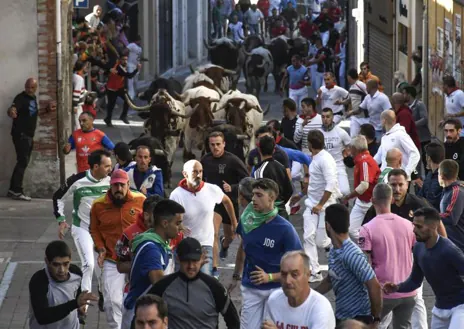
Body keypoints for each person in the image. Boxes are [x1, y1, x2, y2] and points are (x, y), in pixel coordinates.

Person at [229, 178, 302, 329]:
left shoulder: (285, 229)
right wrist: (236, 276)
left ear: (272, 198)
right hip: (250, 288)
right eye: (253, 194)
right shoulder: (247, 221)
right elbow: (243, 247)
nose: (254, 199)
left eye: (259, 195)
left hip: (276, 290)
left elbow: (299, 267)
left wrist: (269, 277)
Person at [52, 149, 112, 314]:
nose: (110, 169)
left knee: (102, 266)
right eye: (106, 166)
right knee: (89, 263)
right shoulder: (77, 180)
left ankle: (101, 291)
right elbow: (58, 197)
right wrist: (61, 220)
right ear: (95, 166)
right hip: (82, 228)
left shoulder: (111, 181)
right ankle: (82, 305)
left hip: (101, 232)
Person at [383, 207, 464, 329]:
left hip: (460, 308)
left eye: (419, 227)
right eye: (414, 225)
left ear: (433, 227)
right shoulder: (418, 248)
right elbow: (415, 281)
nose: (414, 230)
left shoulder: (449, 250)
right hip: (440, 308)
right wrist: (397, 287)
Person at [90, 169, 145, 329]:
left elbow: (149, 223)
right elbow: (94, 229)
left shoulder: (141, 200)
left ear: (128, 184)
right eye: (115, 186)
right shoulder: (98, 205)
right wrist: (100, 249)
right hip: (112, 259)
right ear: (110, 186)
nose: (119, 189)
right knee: (111, 301)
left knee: (141, 299)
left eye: (122, 185)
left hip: (136, 259)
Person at [147, 237, 240, 329]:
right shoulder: (163, 286)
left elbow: (233, 321)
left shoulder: (214, 287)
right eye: (186, 261)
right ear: (178, 259)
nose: (191, 266)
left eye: (195, 260)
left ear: (201, 258)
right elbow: (141, 315)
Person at [359, 184, 416, 329]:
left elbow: (364, 262)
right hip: (407, 290)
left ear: (373, 200)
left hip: (382, 291)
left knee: (368, 325)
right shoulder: (409, 225)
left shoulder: (367, 229)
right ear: (391, 200)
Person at [315, 204, 382, 325]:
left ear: (327, 226)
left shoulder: (352, 254)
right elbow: (330, 280)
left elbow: (374, 286)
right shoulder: (334, 250)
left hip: (358, 320)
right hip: (342, 318)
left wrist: (375, 320)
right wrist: (309, 295)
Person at [122, 199, 185, 329]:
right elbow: (160, 283)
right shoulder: (151, 249)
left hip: (149, 313)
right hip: (141, 316)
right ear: (165, 223)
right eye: (178, 223)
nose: (181, 228)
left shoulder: (158, 243)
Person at [169, 160, 238, 275]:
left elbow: (227, 201)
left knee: (204, 280)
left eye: (200, 171)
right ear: (185, 174)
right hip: (184, 244)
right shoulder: (176, 195)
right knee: (182, 280)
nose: (199, 175)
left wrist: (234, 223)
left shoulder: (211, 189)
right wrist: (179, 225)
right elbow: (171, 217)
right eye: (195, 172)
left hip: (205, 244)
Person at [290, 130, 340, 282]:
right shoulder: (316, 159)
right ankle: (315, 272)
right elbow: (314, 183)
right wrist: (300, 196)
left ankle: (338, 255)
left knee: (321, 241)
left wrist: (320, 204)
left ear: (310, 144)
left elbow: (330, 184)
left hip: (325, 206)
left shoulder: (325, 160)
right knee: (307, 237)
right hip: (312, 205)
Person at [201, 132, 248, 272]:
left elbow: (247, 180)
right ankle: (213, 268)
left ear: (224, 144)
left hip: (229, 202)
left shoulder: (233, 160)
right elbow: (199, 178)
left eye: (218, 144)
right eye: (212, 145)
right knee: (213, 233)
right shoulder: (205, 160)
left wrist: (232, 187)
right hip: (212, 203)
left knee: (231, 236)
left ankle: (225, 244)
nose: (215, 148)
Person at [28, 240, 99, 328]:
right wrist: (75, 304)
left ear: (70, 260)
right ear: (47, 261)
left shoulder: (76, 273)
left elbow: (76, 295)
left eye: (66, 264)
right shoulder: (39, 281)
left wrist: (80, 307)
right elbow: (42, 317)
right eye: (56, 265)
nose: (62, 270)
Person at [262, 250, 336, 329]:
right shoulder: (274, 300)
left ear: (308, 274)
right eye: (284, 274)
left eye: (294, 275)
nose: (288, 281)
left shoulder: (321, 308)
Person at [340, 136, 380, 242]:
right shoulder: (361, 160)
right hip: (362, 201)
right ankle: (370, 246)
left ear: (355, 148)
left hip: (369, 203)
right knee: (352, 230)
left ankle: (372, 246)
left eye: (350, 147)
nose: (349, 150)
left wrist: (348, 197)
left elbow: (364, 185)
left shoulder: (364, 161)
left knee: (360, 230)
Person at [6, 78, 39, 201]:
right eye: (27, 87)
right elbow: (12, 109)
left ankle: (13, 189)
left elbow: (32, 114)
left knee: (23, 162)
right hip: (21, 135)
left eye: (32, 87)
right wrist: (12, 112)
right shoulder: (20, 98)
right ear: (25, 87)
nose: (29, 90)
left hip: (28, 135)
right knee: (22, 161)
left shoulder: (33, 99)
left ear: (35, 88)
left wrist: (47, 110)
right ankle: (16, 190)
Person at [115, 195, 163, 275]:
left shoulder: (171, 231)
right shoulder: (128, 234)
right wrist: (146, 265)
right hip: (139, 285)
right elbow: (120, 266)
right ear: (146, 215)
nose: (162, 219)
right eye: (158, 216)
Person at [253, 136, 293, 218]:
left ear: (259, 149)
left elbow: (260, 194)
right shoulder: (281, 166)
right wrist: (280, 203)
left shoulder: (260, 170)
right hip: (282, 213)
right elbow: (289, 190)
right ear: (274, 150)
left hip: (268, 215)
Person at [374, 110, 420, 180]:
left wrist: (407, 173)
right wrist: (368, 165)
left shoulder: (401, 135)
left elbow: (415, 154)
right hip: (385, 177)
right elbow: (379, 156)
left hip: (398, 179)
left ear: (383, 121)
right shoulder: (385, 137)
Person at [320, 107, 351, 196]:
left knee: (345, 191)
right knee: (325, 194)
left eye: (328, 117)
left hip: (338, 165)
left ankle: (344, 206)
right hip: (323, 167)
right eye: (323, 117)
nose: (325, 119)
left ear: (332, 117)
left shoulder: (341, 132)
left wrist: (346, 153)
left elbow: (350, 145)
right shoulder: (318, 133)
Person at [105, 54, 141, 126]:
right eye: (124, 59)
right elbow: (129, 76)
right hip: (112, 89)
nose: (125, 61)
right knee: (111, 105)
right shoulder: (118, 67)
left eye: (126, 60)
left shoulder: (122, 66)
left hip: (120, 88)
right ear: (120, 60)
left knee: (128, 101)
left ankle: (123, 116)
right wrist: (137, 69)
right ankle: (108, 119)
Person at [403, 85, 432, 173]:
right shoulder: (406, 107)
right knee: (415, 160)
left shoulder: (419, 104)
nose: (403, 95)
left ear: (409, 94)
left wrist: (413, 125)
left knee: (425, 160)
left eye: (404, 93)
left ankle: (428, 177)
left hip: (424, 138)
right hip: (414, 138)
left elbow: (424, 119)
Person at [438, 159, 464, 252]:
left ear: (441, 175)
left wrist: (430, 215)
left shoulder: (456, 192)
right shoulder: (448, 191)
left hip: (459, 245)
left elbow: (451, 217)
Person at [417, 142, 445, 211]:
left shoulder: (445, 178)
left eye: (425, 156)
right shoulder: (429, 175)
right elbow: (419, 197)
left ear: (428, 158)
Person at [343, 68, 368, 138]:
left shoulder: (361, 85)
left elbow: (369, 97)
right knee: (353, 137)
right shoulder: (351, 88)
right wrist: (341, 102)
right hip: (355, 117)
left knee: (364, 137)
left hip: (364, 117)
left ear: (349, 77)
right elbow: (350, 100)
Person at [126, 35, 143, 99]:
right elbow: (125, 51)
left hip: (134, 65)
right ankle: (131, 95)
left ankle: (133, 94)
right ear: (137, 40)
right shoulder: (132, 45)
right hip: (132, 65)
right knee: (131, 81)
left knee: (133, 81)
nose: (140, 41)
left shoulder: (139, 48)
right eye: (139, 40)